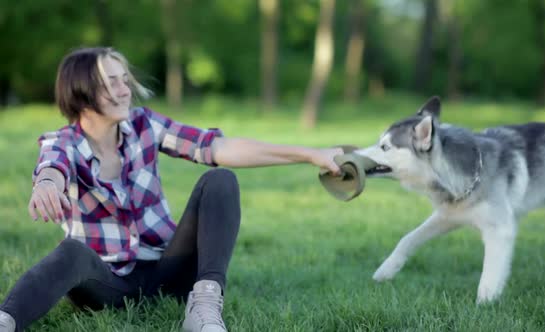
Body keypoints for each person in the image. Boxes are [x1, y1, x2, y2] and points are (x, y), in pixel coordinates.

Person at [0, 47, 342, 332]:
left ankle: (205, 304)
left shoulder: (144, 124)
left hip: (168, 270)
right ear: (80, 92)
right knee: (71, 252)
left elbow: (220, 147)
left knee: (220, 180)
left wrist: (310, 154)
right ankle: (6, 320)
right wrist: (46, 185)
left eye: (124, 80)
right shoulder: (63, 143)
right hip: (106, 283)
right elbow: (52, 166)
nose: (124, 90)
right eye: (110, 83)